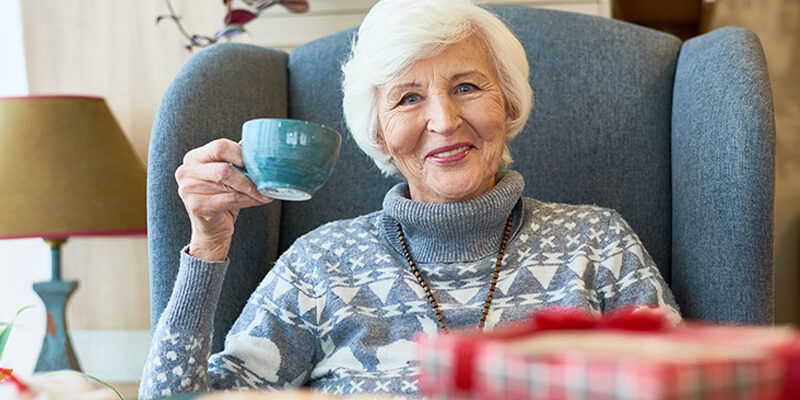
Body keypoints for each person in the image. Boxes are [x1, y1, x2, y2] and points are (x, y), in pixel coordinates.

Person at [140, 0, 681, 398]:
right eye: (408, 97)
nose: (444, 121)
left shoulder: (597, 242)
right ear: (379, 132)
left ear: (510, 105)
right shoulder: (320, 263)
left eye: (467, 87)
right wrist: (208, 245)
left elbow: (690, 386)